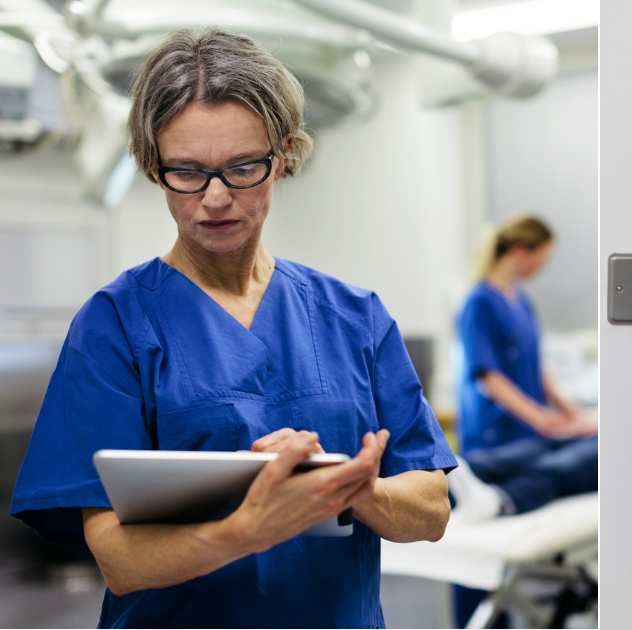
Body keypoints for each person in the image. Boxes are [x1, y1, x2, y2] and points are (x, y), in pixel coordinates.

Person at [8, 29, 455, 628]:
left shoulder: (355, 316)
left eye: (243, 167)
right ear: (150, 166)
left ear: (286, 154)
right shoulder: (117, 325)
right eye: (187, 172)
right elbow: (117, 558)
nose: (215, 198)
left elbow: (430, 509)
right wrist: (250, 528)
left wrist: (347, 488)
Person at [449, 215, 597, 625]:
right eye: (541, 259)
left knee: (541, 473)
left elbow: (537, 367)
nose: (542, 269)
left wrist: (567, 413)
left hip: (528, 428)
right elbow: (488, 375)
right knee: (477, 544)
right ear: (519, 252)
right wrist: (540, 418)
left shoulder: (520, 298)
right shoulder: (479, 301)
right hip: (495, 429)